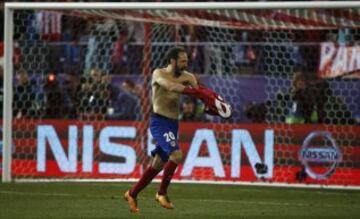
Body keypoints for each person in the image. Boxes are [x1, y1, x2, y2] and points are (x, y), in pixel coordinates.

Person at [124, 46, 230, 213]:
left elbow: (201, 91)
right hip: (159, 122)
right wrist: (194, 91)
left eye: (186, 61)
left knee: (158, 165)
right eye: (182, 61)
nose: (185, 63)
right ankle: (161, 193)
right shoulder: (158, 74)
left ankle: (132, 193)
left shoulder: (188, 76)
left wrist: (211, 102)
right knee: (177, 155)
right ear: (172, 61)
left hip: (173, 124)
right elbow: (170, 86)